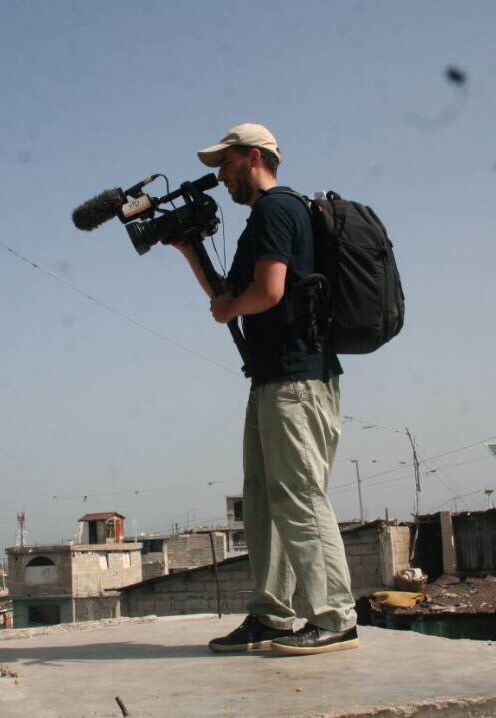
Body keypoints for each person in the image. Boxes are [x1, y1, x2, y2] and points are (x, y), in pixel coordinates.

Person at [174, 123, 358, 656]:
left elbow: (268, 292)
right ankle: (272, 615)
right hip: (272, 379)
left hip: (298, 380)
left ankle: (336, 616)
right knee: (263, 502)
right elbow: (229, 294)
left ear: (253, 157)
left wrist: (232, 307)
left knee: (300, 497)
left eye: (225, 163)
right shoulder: (263, 219)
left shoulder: (279, 209)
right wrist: (188, 250)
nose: (220, 176)